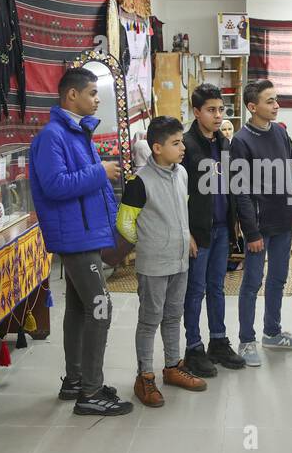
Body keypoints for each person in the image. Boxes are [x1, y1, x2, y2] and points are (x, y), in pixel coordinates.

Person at [28, 67, 132, 416]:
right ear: (71, 95)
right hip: (74, 238)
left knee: (79, 309)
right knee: (101, 308)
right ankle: (91, 391)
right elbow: (56, 185)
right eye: (91, 92)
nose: (96, 98)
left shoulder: (76, 133)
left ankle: (75, 380)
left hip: (84, 234)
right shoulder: (52, 137)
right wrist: (100, 171)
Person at [116, 116, 208, 408]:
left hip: (180, 260)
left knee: (173, 317)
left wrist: (185, 237)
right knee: (149, 320)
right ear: (157, 147)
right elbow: (124, 223)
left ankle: (172, 367)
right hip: (154, 263)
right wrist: (149, 241)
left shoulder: (181, 173)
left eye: (182, 141)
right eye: (176, 143)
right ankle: (145, 377)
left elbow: (181, 210)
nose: (183, 147)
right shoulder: (139, 182)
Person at [230, 79, 292, 366]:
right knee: (251, 283)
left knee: (278, 279)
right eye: (270, 101)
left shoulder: (281, 133)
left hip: (283, 221)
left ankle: (272, 333)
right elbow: (241, 191)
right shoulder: (240, 141)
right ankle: (246, 340)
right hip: (258, 228)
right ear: (252, 107)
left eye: (276, 100)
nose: (276, 105)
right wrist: (250, 232)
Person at [181, 84, 245, 377]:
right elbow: (179, 194)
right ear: (196, 112)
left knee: (217, 287)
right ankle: (193, 347)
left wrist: (236, 221)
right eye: (211, 110)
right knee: (195, 290)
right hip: (199, 231)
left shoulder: (225, 144)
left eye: (221, 109)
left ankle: (217, 341)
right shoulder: (184, 146)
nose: (218, 115)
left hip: (222, 228)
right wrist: (187, 233)